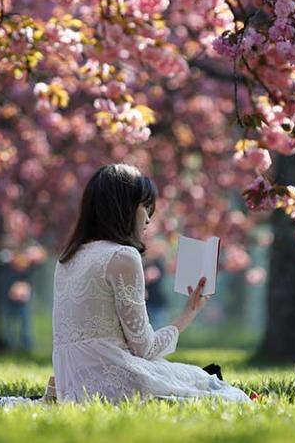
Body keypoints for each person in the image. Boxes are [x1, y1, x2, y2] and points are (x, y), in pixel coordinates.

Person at [51, 163, 250, 403]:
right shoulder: (122, 256)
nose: (148, 218)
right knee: (222, 391)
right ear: (122, 207)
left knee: (193, 377)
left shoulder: (67, 259)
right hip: (115, 383)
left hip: (70, 385)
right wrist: (188, 313)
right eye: (144, 206)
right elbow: (144, 349)